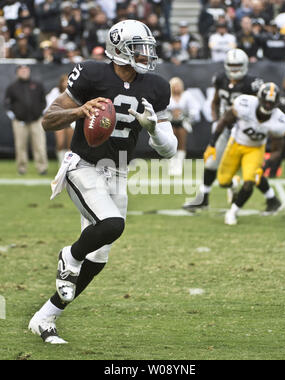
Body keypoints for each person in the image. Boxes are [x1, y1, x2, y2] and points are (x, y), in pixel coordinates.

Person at [28, 19, 177, 344]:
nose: (145, 55)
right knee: (111, 225)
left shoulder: (156, 86)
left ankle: (45, 317)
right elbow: (48, 120)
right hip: (83, 165)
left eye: (147, 48)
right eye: (139, 48)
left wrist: (152, 128)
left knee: (98, 259)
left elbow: (170, 150)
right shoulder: (93, 74)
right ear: (119, 49)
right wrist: (79, 111)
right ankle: (69, 255)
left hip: (119, 171)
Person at [183, 49, 283, 215]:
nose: (235, 69)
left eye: (238, 66)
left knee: (251, 170)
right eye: (232, 66)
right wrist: (216, 120)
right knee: (211, 162)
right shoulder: (220, 79)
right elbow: (215, 101)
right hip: (226, 127)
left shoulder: (253, 84)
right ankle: (203, 198)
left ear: (244, 65)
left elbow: (261, 108)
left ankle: (272, 199)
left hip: (244, 130)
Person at [212, 82, 285, 225]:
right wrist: (212, 144)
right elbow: (223, 121)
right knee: (223, 182)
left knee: (249, 182)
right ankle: (233, 183)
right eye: (265, 101)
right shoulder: (244, 104)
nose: (267, 106)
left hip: (255, 149)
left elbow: (277, 150)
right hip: (235, 144)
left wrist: (265, 166)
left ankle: (233, 211)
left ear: (276, 103)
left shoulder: (280, 120)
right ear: (259, 98)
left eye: (271, 103)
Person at [4, 65, 48, 175]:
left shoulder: (37, 85)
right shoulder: (12, 87)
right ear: (17, 73)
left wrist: (40, 113)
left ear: (29, 71)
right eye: (21, 70)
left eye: (26, 70)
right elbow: (7, 104)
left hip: (36, 121)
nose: (24, 72)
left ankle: (42, 168)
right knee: (20, 146)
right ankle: (21, 168)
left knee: (40, 145)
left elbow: (44, 101)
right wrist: (14, 116)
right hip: (20, 122)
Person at [167, 77, 200, 176]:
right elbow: (161, 109)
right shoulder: (167, 96)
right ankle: (171, 165)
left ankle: (179, 166)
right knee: (170, 144)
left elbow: (195, 110)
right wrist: (171, 115)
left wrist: (185, 116)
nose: (176, 87)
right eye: (174, 85)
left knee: (181, 143)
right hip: (169, 122)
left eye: (178, 85)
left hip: (183, 122)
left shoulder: (187, 96)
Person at [45, 74, 74, 164]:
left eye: (67, 81)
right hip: (59, 120)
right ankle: (61, 163)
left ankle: (68, 164)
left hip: (71, 120)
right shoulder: (55, 92)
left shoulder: (74, 92)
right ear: (61, 83)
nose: (66, 83)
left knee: (70, 144)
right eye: (64, 81)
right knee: (60, 143)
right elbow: (49, 105)